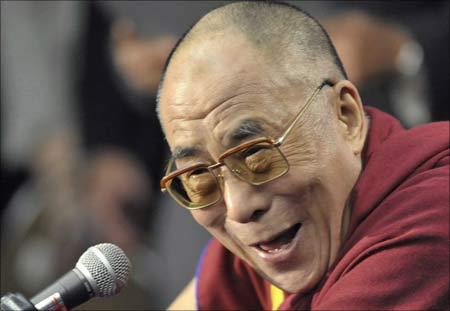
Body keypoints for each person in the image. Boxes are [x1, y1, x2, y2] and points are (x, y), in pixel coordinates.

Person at [156, 2, 449, 310]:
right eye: (198, 176)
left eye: (256, 154)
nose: (238, 208)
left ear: (345, 117)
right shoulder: (271, 236)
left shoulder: (428, 214)